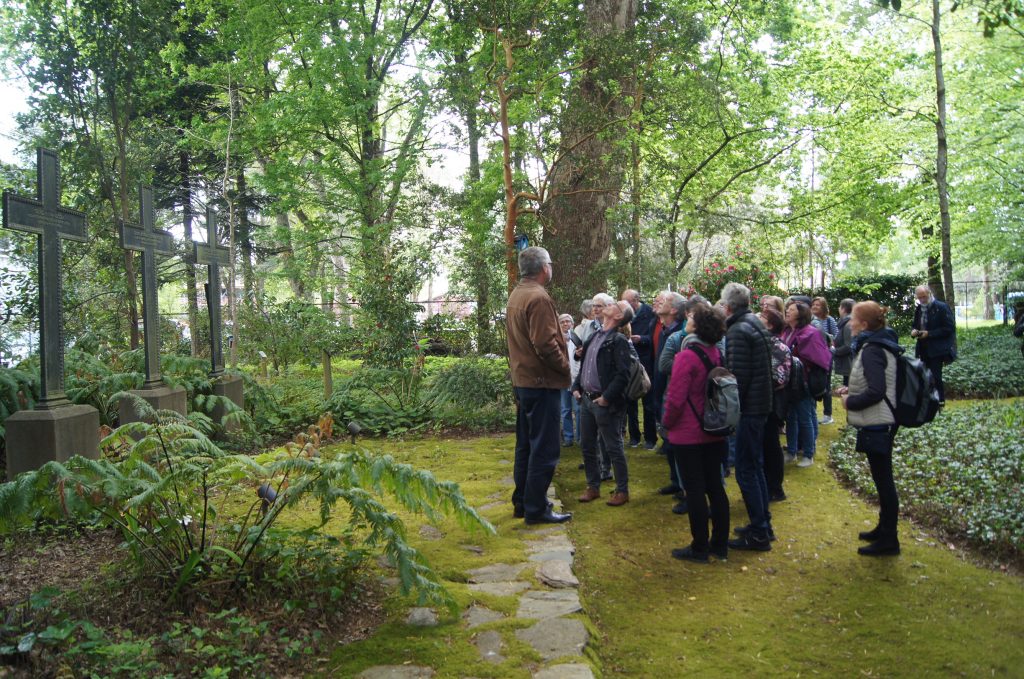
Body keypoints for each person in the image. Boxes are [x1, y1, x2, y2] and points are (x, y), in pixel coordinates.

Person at [506, 246, 572, 525]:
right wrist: (565, 367)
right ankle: (536, 508)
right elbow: (544, 344)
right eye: (551, 264)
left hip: (525, 381)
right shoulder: (538, 297)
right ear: (545, 268)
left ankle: (523, 502)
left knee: (526, 446)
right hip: (541, 382)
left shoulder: (518, 294)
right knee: (544, 448)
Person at [662, 303, 730, 562]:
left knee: (694, 489)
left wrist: (667, 423)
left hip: (688, 433)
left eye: (692, 318)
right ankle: (719, 545)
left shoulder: (686, 357)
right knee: (715, 486)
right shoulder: (716, 353)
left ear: (698, 326)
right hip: (714, 428)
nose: (688, 319)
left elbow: (675, 399)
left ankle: (699, 547)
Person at [838, 301, 903, 556]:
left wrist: (850, 402)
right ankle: (884, 529)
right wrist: (852, 389)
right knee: (881, 478)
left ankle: (889, 540)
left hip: (879, 422)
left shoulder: (873, 349)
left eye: (853, 319)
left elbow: (877, 391)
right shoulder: (878, 343)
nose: (850, 323)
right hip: (881, 420)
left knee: (884, 481)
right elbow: (875, 382)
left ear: (864, 324)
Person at [719, 282, 776, 551]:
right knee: (754, 466)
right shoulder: (753, 323)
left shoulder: (739, 330)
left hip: (750, 408)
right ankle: (762, 523)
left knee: (746, 469)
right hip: (760, 404)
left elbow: (737, 378)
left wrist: (729, 413)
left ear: (729, 306)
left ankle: (760, 532)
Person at [572, 300, 636, 507]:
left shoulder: (618, 341)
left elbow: (623, 375)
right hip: (586, 401)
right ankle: (593, 487)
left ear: (618, 316)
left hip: (604, 403)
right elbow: (585, 367)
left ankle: (622, 491)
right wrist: (576, 386)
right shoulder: (593, 336)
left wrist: (606, 397)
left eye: (615, 304)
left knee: (613, 447)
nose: (609, 304)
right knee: (587, 446)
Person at [781, 300, 832, 468]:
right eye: (787, 309)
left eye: (791, 309)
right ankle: (792, 451)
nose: (787, 311)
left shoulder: (811, 333)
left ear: (800, 314)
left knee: (805, 417)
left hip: (803, 382)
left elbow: (821, 359)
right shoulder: (787, 330)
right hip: (789, 382)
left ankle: (808, 453)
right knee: (791, 417)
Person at [758, 307, 790, 503]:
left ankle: (775, 488)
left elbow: (778, 378)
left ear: (770, 325)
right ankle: (766, 486)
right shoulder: (763, 343)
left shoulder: (777, 347)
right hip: (762, 402)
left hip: (771, 404)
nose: (757, 317)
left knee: (771, 445)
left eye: (762, 316)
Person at [622, 289, 658, 448]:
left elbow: (655, 337)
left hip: (646, 362)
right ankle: (634, 437)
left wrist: (642, 339)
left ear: (636, 300)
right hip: (629, 362)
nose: (625, 304)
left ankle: (650, 438)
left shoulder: (650, 313)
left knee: (648, 403)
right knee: (630, 401)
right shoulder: (624, 313)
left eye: (627, 301)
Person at [912, 285, 956, 405]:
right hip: (922, 348)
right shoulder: (919, 308)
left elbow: (949, 328)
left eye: (924, 297)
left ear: (929, 294)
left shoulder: (941, 307)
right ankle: (928, 401)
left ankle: (940, 400)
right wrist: (914, 331)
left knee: (936, 376)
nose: (922, 300)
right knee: (924, 376)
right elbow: (915, 325)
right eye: (919, 297)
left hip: (937, 349)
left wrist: (929, 334)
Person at [811, 297, 839, 425]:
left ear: (823, 307)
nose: (815, 306)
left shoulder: (829, 320)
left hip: (826, 355)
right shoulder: (809, 320)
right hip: (814, 355)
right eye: (813, 304)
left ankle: (828, 415)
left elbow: (836, 336)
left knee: (826, 385)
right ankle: (813, 413)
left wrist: (829, 347)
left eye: (818, 305)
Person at [559, 313, 582, 447]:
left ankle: (580, 437)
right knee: (565, 410)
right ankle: (568, 438)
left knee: (578, 410)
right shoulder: (555, 339)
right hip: (562, 380)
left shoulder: (576, 338)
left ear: (572, 324)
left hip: (576, 379)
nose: (565, 324)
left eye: (568, 321)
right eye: (562, 322)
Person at [832, 298, 856, 387]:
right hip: (847, 364)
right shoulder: (845, 323)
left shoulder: (848, 324)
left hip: (850, 364)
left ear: (843, 309)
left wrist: (833, 351)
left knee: (848, 387)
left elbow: (848, 346)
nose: (838, 309)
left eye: (839, 307)